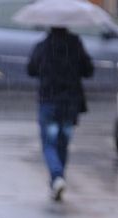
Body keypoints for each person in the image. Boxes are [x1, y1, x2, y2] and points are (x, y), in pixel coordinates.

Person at [27, 26, 93, 202]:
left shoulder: (43, 46)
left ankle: (56, 177)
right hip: (70, 103)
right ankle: (59, 178)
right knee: (63, 143)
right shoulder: (76, 45)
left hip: (49, 101)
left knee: (49, 144)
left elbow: (31, 69)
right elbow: (89, 70)